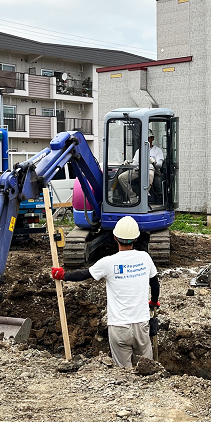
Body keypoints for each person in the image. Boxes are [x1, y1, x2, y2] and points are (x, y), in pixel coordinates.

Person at [51, 216, 160, 367]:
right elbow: (154, 283)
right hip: (141, 324)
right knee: (147, 366)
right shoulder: (145, 258)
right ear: (136, 238)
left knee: (123, 373)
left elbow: (84, 274)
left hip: (119, 327)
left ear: (115, 237)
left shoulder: (108, 262)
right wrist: (154, 301)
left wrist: (63, 275)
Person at [118, 131, 165, 202]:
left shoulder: (157, 151)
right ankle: (132, 196)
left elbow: (159, 165)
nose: (146, 140)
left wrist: (153, 162)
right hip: (138, 170)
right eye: (145, 138)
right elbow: (135, 164)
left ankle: (142, 197)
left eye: (148, 138)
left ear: (152, 138)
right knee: (121, 177)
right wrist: (128, 164)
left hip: (150, 170)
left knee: (149, 176)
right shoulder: (139, 151)